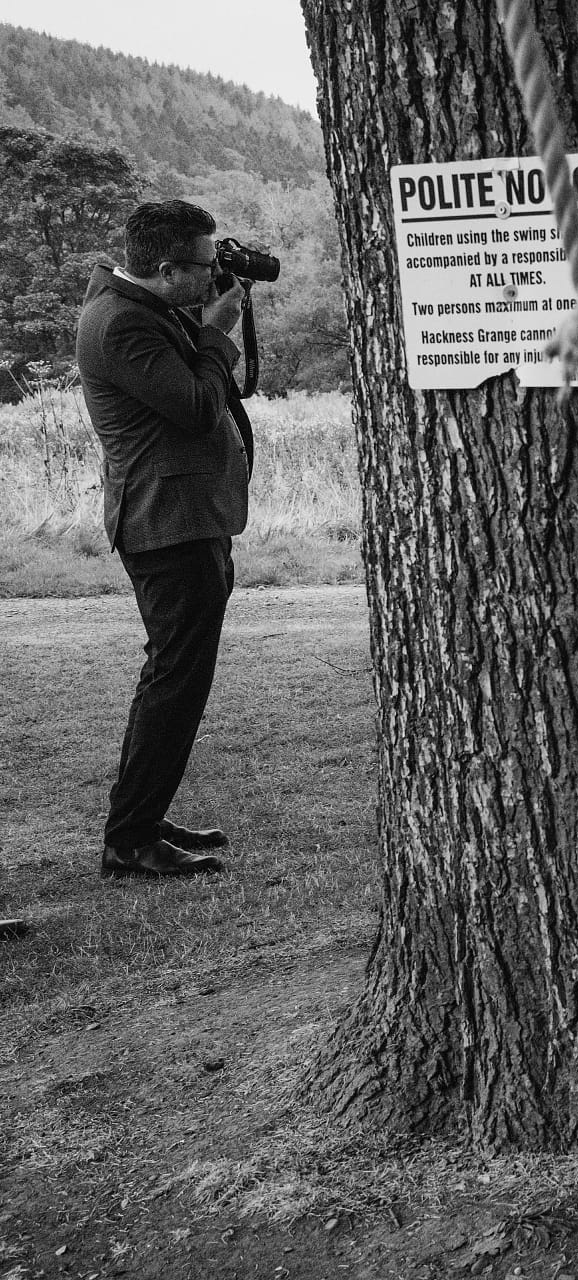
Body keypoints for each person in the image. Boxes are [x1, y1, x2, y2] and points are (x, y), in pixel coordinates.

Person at [76, 200, 253, 880]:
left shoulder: (141, 307)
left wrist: (210, 323)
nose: (214, 279)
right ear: (168, 267)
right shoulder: (122, 324)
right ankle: (130, 840)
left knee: (174, 678)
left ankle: (141, 818)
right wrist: (218, 335)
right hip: (166, 522)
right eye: (206, 267)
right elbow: (197, 405)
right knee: (175, 684)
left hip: (184, 518)